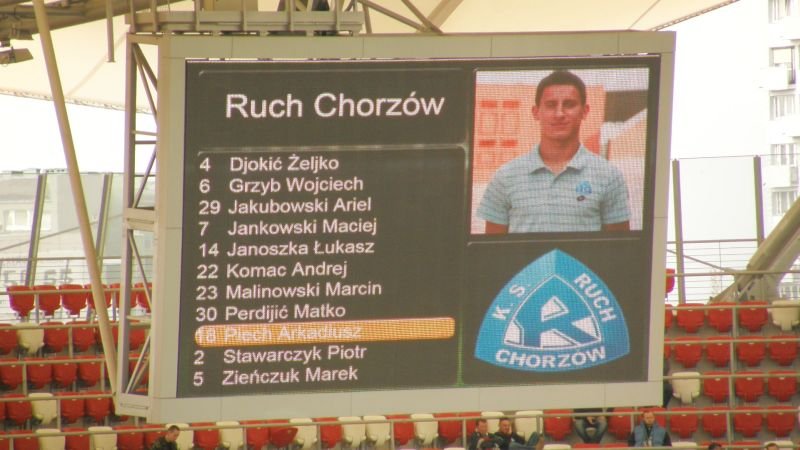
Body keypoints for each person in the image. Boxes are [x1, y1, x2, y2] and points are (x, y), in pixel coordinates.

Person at [477, 70, 630, 234]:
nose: (559, 114)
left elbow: (618, 246)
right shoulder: (505, 177)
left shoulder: (609, 177)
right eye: (551, 105)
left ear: (584, 111)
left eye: (569, 104)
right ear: (536, 112)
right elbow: (493, 247)